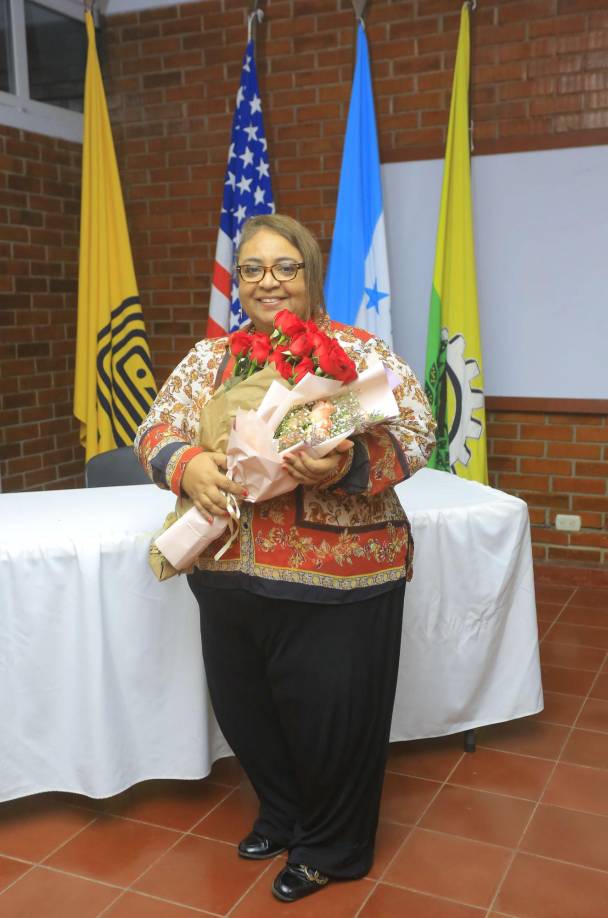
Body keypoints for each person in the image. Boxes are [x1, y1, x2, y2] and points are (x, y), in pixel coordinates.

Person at [135, 214, 436, 903]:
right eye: (251, 268)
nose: (267, 281)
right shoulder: (211, 359)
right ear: (236, 281)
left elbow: (421, 428)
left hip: (344, 582)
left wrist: (350, 461)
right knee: (247, 712)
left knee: (333, 722)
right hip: (229, 574)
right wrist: (187, 465)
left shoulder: (358, 352)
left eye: (284, 266)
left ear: (310, 273)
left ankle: (331, 845)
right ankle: (282, 814)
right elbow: (153, 426)